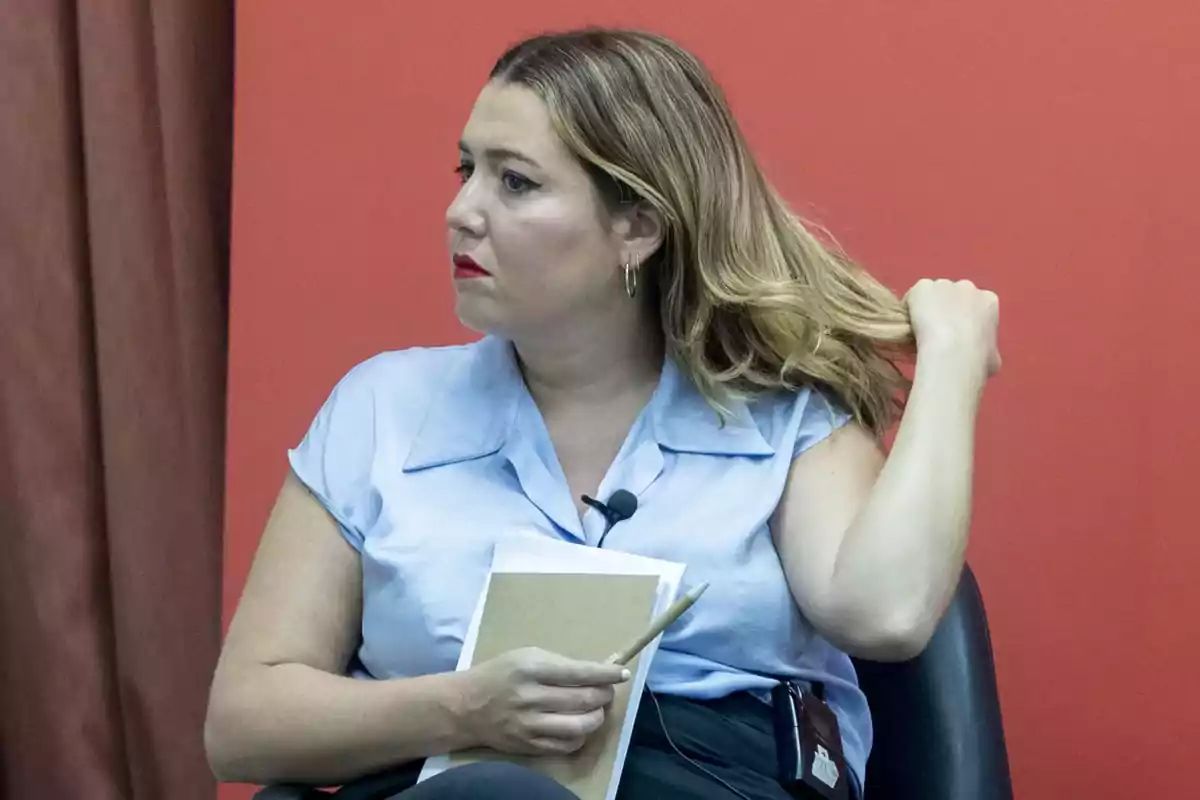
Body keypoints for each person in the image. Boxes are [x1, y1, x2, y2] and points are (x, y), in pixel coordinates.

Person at [205, 27, 1000, 799]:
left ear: (639, 227)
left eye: (515, 181)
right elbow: (242, 724)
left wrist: (952, 366)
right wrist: (462, 707)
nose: (462, 209)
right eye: (465, 169)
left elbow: (889, 615)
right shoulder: (378, 410)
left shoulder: (782, 418)